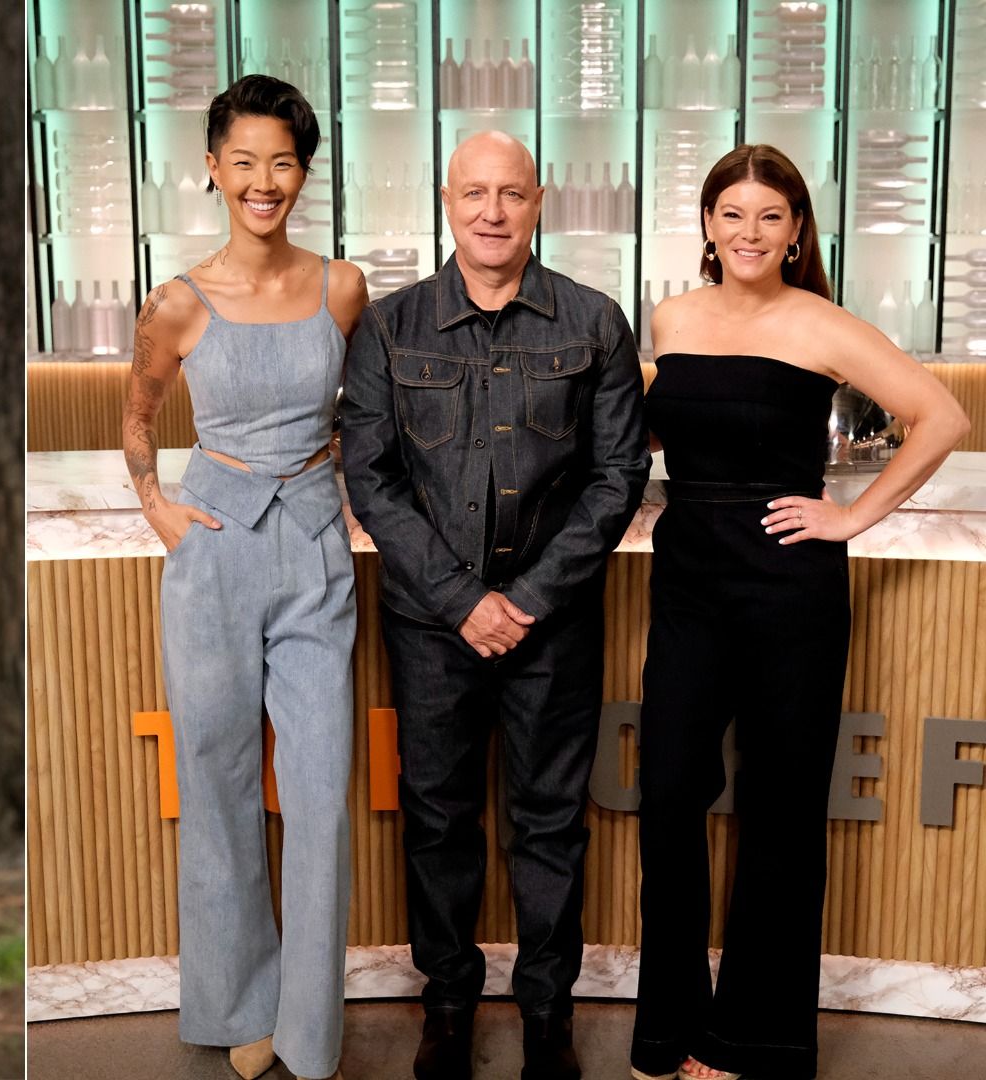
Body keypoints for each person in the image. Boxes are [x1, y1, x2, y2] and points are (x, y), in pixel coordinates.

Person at [630, 144, 969, 1080]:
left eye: (769, 217)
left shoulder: (823, 324)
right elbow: (671, 434)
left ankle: (750, 1040)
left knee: (779, 810)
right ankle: (666, 1028)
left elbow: (942, 418)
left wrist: (852, 516)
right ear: (706, 225)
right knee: (668, 797)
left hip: (791, 584)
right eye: (732, 213)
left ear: (795, 232)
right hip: (690, 577)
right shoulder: (672, 318)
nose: (749, 232)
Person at [337, 131, 649, 1080]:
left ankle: (548, 1016)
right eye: (474, 193)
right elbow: (372, 477)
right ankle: (447, 1008)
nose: (492, 212)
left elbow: (617, 477)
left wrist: (524, 600)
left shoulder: (595, 323)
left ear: (539, 200)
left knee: (550, 821)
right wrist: (464, 600)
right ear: (446, 200)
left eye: (511, 193)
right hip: (433, 627)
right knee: (437, 818)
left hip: (552, 625)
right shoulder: (390, 328)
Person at [123, 74, 366, 1080]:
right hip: (214, 547)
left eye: (284, 163)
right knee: (218, 784)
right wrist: (156, 507)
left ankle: (310, 1030)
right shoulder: (176, 302)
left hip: (313, 547)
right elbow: (134, 420)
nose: (265, 181)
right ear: (213, 168)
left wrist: (345, 487)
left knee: (317, 794)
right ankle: (238, 1009)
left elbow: (368, 414)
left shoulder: (342, 287)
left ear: (303, 174)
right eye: (246, 161)